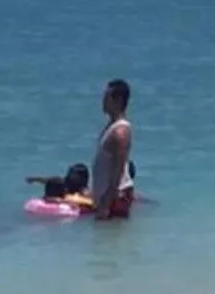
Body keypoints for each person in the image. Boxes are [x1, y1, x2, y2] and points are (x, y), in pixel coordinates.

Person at [89, 79, 136, 221]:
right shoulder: (112, 127)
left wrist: (107, 200)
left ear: (118, 100)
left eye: (106, 97)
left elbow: (119, 168)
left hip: (115, 198)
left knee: (113, 234)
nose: (103, 102)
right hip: (108, 197)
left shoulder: (119, 131)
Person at [25, 162, 93, 206]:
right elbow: (48, 181)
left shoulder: (83, 190)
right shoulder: (66, 182)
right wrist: (34, 179)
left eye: (73, 174)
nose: (71, 175)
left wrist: (63, 201)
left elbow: (91, 202)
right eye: (71, 173)